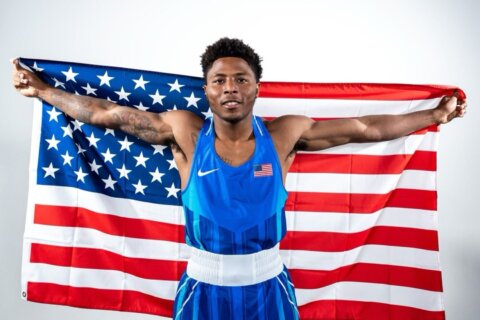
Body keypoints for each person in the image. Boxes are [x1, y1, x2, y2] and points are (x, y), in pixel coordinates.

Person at [12, 38, 466, 320]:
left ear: (256, 87)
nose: (230, 87)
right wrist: (44, 91)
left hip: (268, 289)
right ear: (207, 89)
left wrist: (433, 115)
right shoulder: (185, 131)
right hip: (202, 291)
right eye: (220, 80)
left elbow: (365, 129)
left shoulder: (285, 133)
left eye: (241, 79)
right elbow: (109, 115)